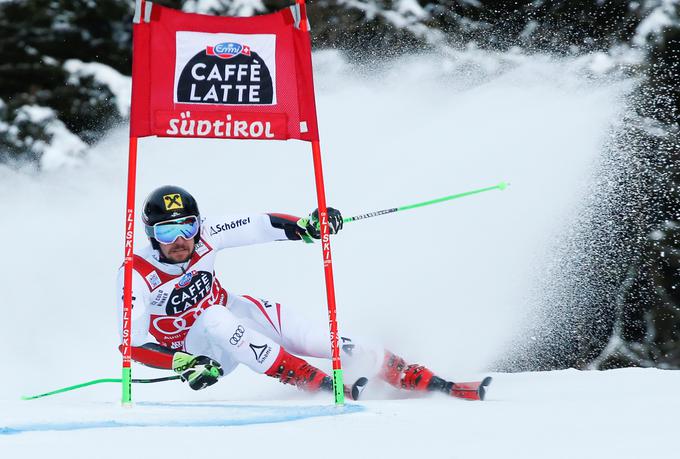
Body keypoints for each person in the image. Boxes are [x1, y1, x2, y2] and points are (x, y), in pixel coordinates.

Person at [116, 185, 490, 400]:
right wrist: (183, 363)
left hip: (235, 314)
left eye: (188, 226)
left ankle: (425, 380)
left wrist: (308, 226)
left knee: (314, 336)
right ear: (151, 234)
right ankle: (319, 383)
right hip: (203, 353)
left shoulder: (206, 237)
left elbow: (260, 225)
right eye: (166, 232)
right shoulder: (136, 273)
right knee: (214, 318)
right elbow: (130, 344)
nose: (180, 240)